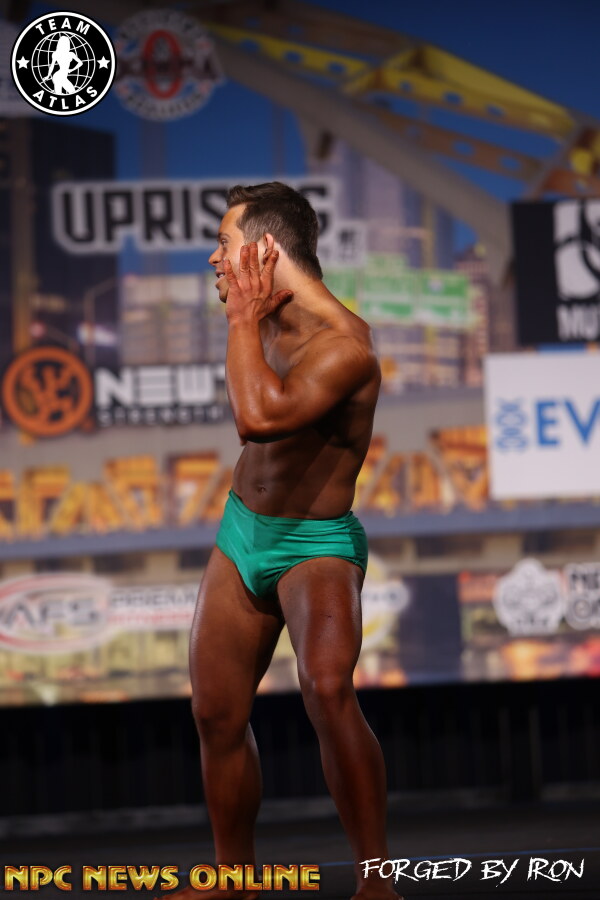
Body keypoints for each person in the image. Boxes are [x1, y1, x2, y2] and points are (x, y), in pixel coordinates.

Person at [177, 182, 400, 900]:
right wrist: (248, 316)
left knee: (328, 690)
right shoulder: (266, 317)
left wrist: (241, 319)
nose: (214, 259)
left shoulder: (345, 346)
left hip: (316, 543)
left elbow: (260, 419)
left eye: (224, 243)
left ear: (264, 250)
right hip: (244, 529)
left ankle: (376, 880)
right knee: (215, 712)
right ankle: (233, 878)